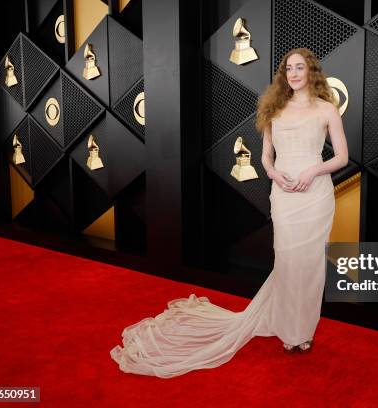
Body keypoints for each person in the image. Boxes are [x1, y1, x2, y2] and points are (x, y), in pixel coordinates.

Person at [109, 47, 349, 378]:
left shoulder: (326, 109)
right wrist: (275, 174)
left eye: (300, 67)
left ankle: (301, 333)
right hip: (284, 196)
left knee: (309, 267)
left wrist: (313, 171)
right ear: (284, 74)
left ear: (311, 71)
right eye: (289, 68)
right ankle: (287, 327)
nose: (294, 73)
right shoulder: (273, 108)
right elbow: (265, 157)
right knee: (287, 261)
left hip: (315, 196)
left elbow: (342, 157)